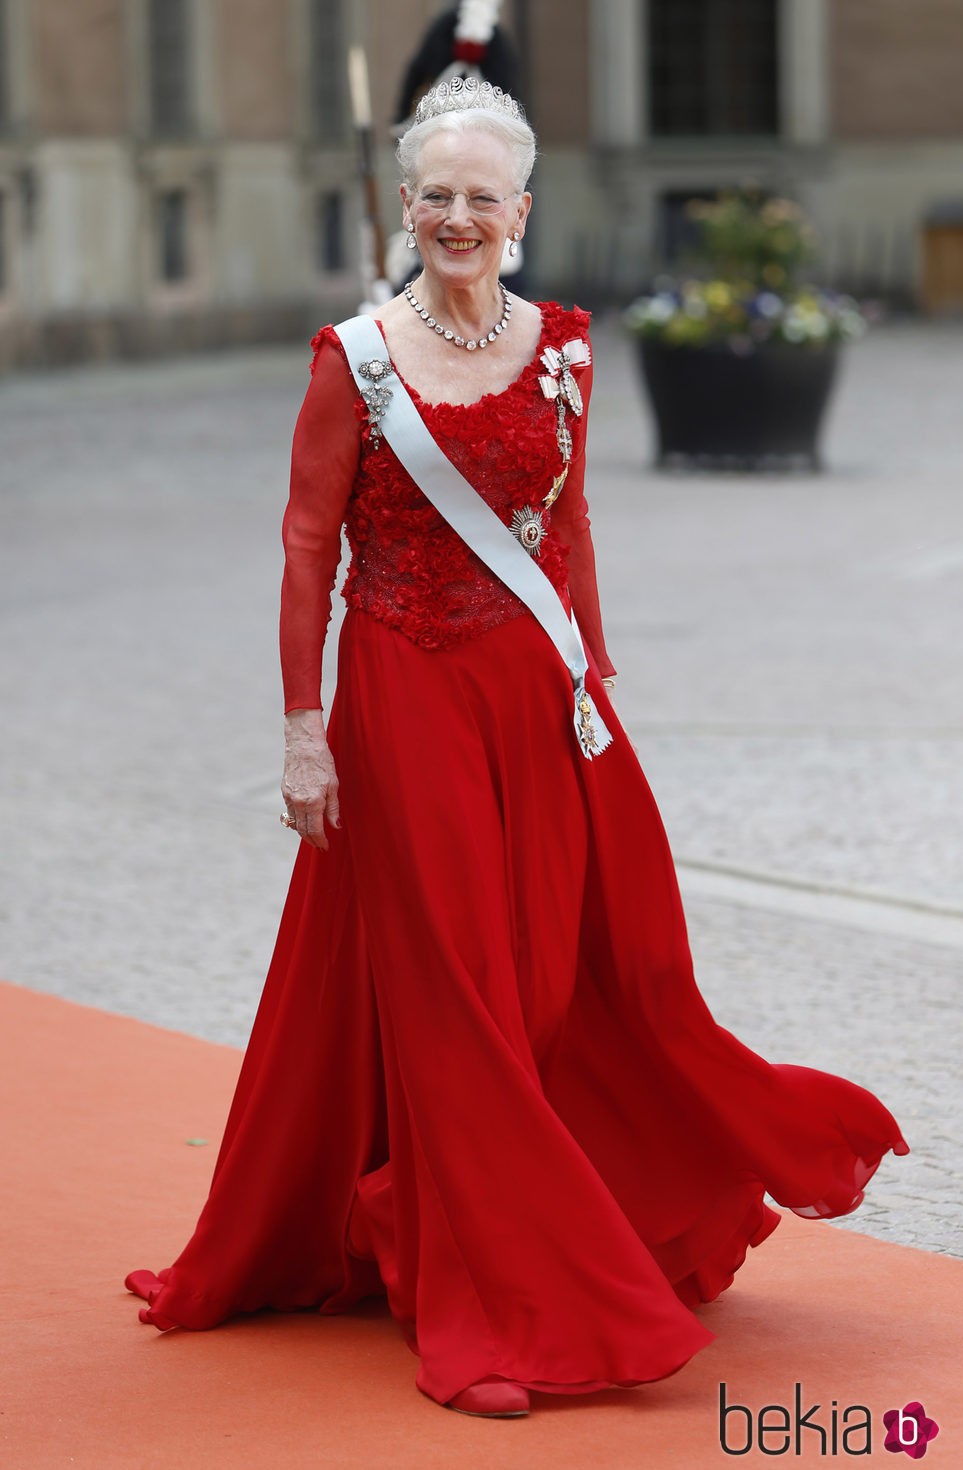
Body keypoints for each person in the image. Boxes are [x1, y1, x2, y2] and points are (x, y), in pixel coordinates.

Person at [125, 79, 908, 1421]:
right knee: (457, 989)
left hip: (532, 698)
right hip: (400, 695)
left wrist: (592, 685)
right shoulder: (354, 360)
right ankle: (489, 1299)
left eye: (484, 196)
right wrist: (305, 733)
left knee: (559, 978)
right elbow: (309, 550)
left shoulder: (567, 348)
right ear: (406, 206)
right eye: (436, 193)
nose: (458, 217)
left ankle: (569, 1207)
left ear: (523, 213)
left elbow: (568, 526)